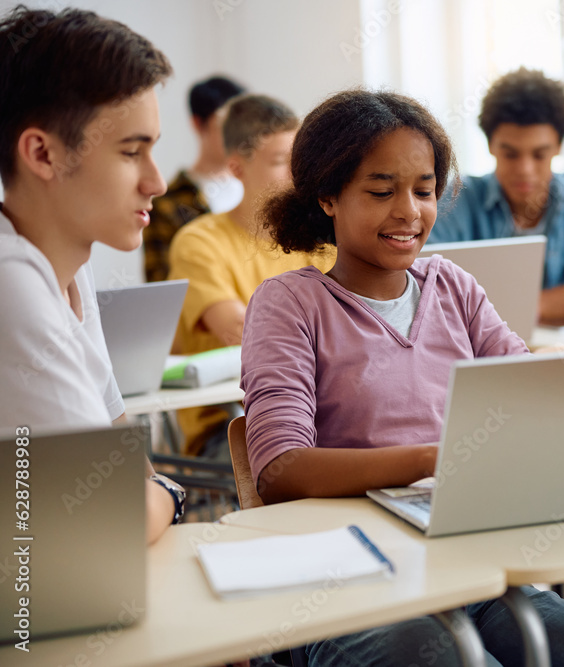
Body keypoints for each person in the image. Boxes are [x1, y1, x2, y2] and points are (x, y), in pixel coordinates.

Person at [240, 88, 564, 666]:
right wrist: (438, 458)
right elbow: (279, 470)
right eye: (381, 192)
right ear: (328, 196)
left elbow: (531, 398)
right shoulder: (290, 303)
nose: (410, 211)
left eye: (424, 191)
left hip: (468, 566)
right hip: (351, 586)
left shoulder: (451, 285)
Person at [0, 6, 184, 545]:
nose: (157, 182)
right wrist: (170, 496)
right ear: (42, 153)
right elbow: (113, 516)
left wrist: (151, 493)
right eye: (132, 152)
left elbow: (118, 438)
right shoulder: (11, 280)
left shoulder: (70, 270)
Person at [168, 93, 334, 458]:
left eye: (298, 161)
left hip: (323, 412)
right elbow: (242, 333)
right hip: (231, 428)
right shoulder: (199, 242)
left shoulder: (318, 242)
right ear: (236, 168)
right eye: (278, 161)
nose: (295, 175)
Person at [429, 67, 564, 326]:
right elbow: (421, 294)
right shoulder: (452, 204)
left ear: (559, 147)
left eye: (539, 154)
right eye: (510, 154)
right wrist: (541, 305)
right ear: (490, 145)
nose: (525, 170)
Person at [143, 74, 245, 282]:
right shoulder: (167, 203)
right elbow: (163, 287)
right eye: (226, 125)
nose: (237, 136)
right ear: (199, 124)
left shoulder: (260, 189)